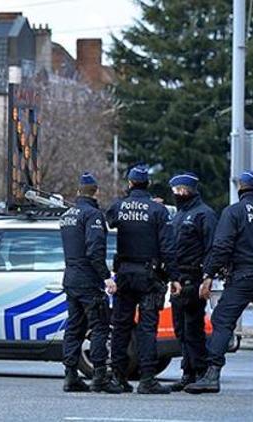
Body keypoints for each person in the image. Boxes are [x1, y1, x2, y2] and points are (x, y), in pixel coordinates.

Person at [185, 171, 253, 396]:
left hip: (242, 277)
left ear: (240, 189)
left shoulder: (233, 212)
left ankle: (212, 375)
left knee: (222, 320)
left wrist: (209, 274)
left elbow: (222, 247)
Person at [105, 164, 178, 394]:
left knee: (120, 327)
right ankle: (147, 379)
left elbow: (108, 221)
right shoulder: (158, 211)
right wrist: (173, 276)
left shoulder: (119, 206)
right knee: (147, 328)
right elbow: (168, 247)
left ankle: (117, 377)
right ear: (148, 184)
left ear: (129, 184)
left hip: (124, 275)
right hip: (149, 276)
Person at [60, 172, 122, 394]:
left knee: (74, 327)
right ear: (96, 191)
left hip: (71, 279)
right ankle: (99, 377)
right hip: (88, 280)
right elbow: (94, 250)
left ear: (78, 191)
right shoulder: (93, 215)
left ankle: (70, 376)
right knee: (99, 327)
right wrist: (106, 277)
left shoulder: (67, 215)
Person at [167, 172, 217, 392]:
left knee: (193, 329)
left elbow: (211, 248)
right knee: (181, 329)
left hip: (194, 279)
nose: (176, 194)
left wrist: (208, 277)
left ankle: (200, 371)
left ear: (189, 190)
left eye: (179, 190)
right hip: (178, 279)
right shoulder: (179, 215)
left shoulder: (204, 214)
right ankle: (188, 371)